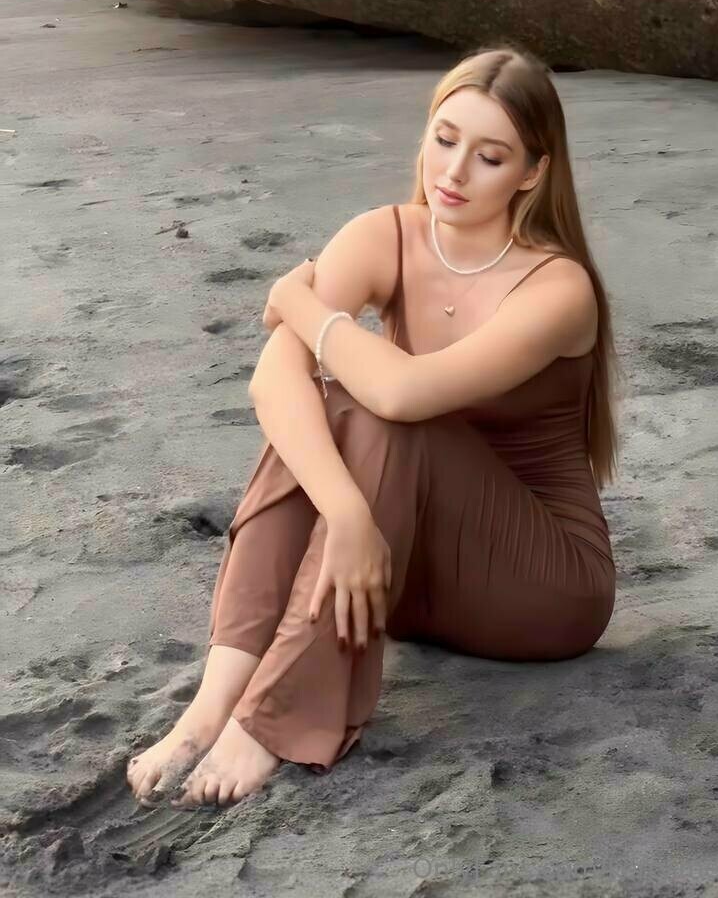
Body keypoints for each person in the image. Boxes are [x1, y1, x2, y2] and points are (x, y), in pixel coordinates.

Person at [126, 44, 620, 809]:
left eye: (489, 157)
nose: (453, 171)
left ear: (531, 172)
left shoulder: (557, 287)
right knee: (327, 406)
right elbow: (271, 381)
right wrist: (349, 516)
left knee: (380, 410)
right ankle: (212, 704)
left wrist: (300, 304)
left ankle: (271, 721)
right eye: (444, 139)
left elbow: (401, 393)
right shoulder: (383, 234)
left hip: (537, 589)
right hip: (395, 566)